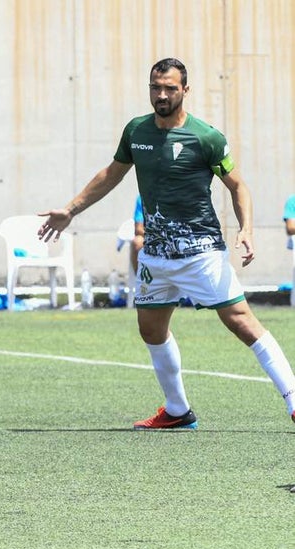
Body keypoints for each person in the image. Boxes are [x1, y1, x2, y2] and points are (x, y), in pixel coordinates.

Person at [38, 58, 295, 429]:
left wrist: (247, 229)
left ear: (185, 91)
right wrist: (71, 209)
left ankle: (292, 398)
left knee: (241, 322)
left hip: (201, 252)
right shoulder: (136, 131)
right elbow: (111, 174)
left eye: (170, 88)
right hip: (155, 255)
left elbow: (238, 186)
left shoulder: (206, 137)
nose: (161, 94)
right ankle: (178, 410)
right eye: (155, 87)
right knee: (151, 329)